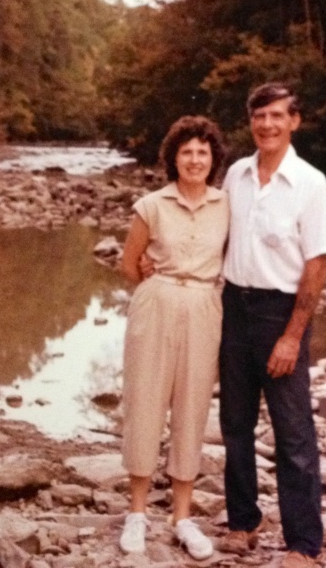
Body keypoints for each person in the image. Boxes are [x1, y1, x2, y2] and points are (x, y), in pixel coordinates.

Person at [217, 82, 326, 568]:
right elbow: (215, 238)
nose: (267, 125)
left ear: (294, 121)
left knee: (293, 432)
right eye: (259, 116)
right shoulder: (236, 175)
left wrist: (292, 335)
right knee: (235, 424)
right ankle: (243, 521)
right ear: (251, 122)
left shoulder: (310, 183)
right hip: (234, 307)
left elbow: (317, 264)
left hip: (279, 313)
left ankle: (303, 543)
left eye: (277, 116)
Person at [119, 115, 229, 560]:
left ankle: (182, 517)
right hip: (157, 303)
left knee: (192, 406)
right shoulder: (151, 206)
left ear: (213, 158)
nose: (195, 160)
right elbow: (129, 263)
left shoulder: (227, 206)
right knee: (145, 402)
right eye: (187, 152)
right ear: (174, 158)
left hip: (204, 305)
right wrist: (152, 282)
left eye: (203, 152)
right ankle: (137, 513)